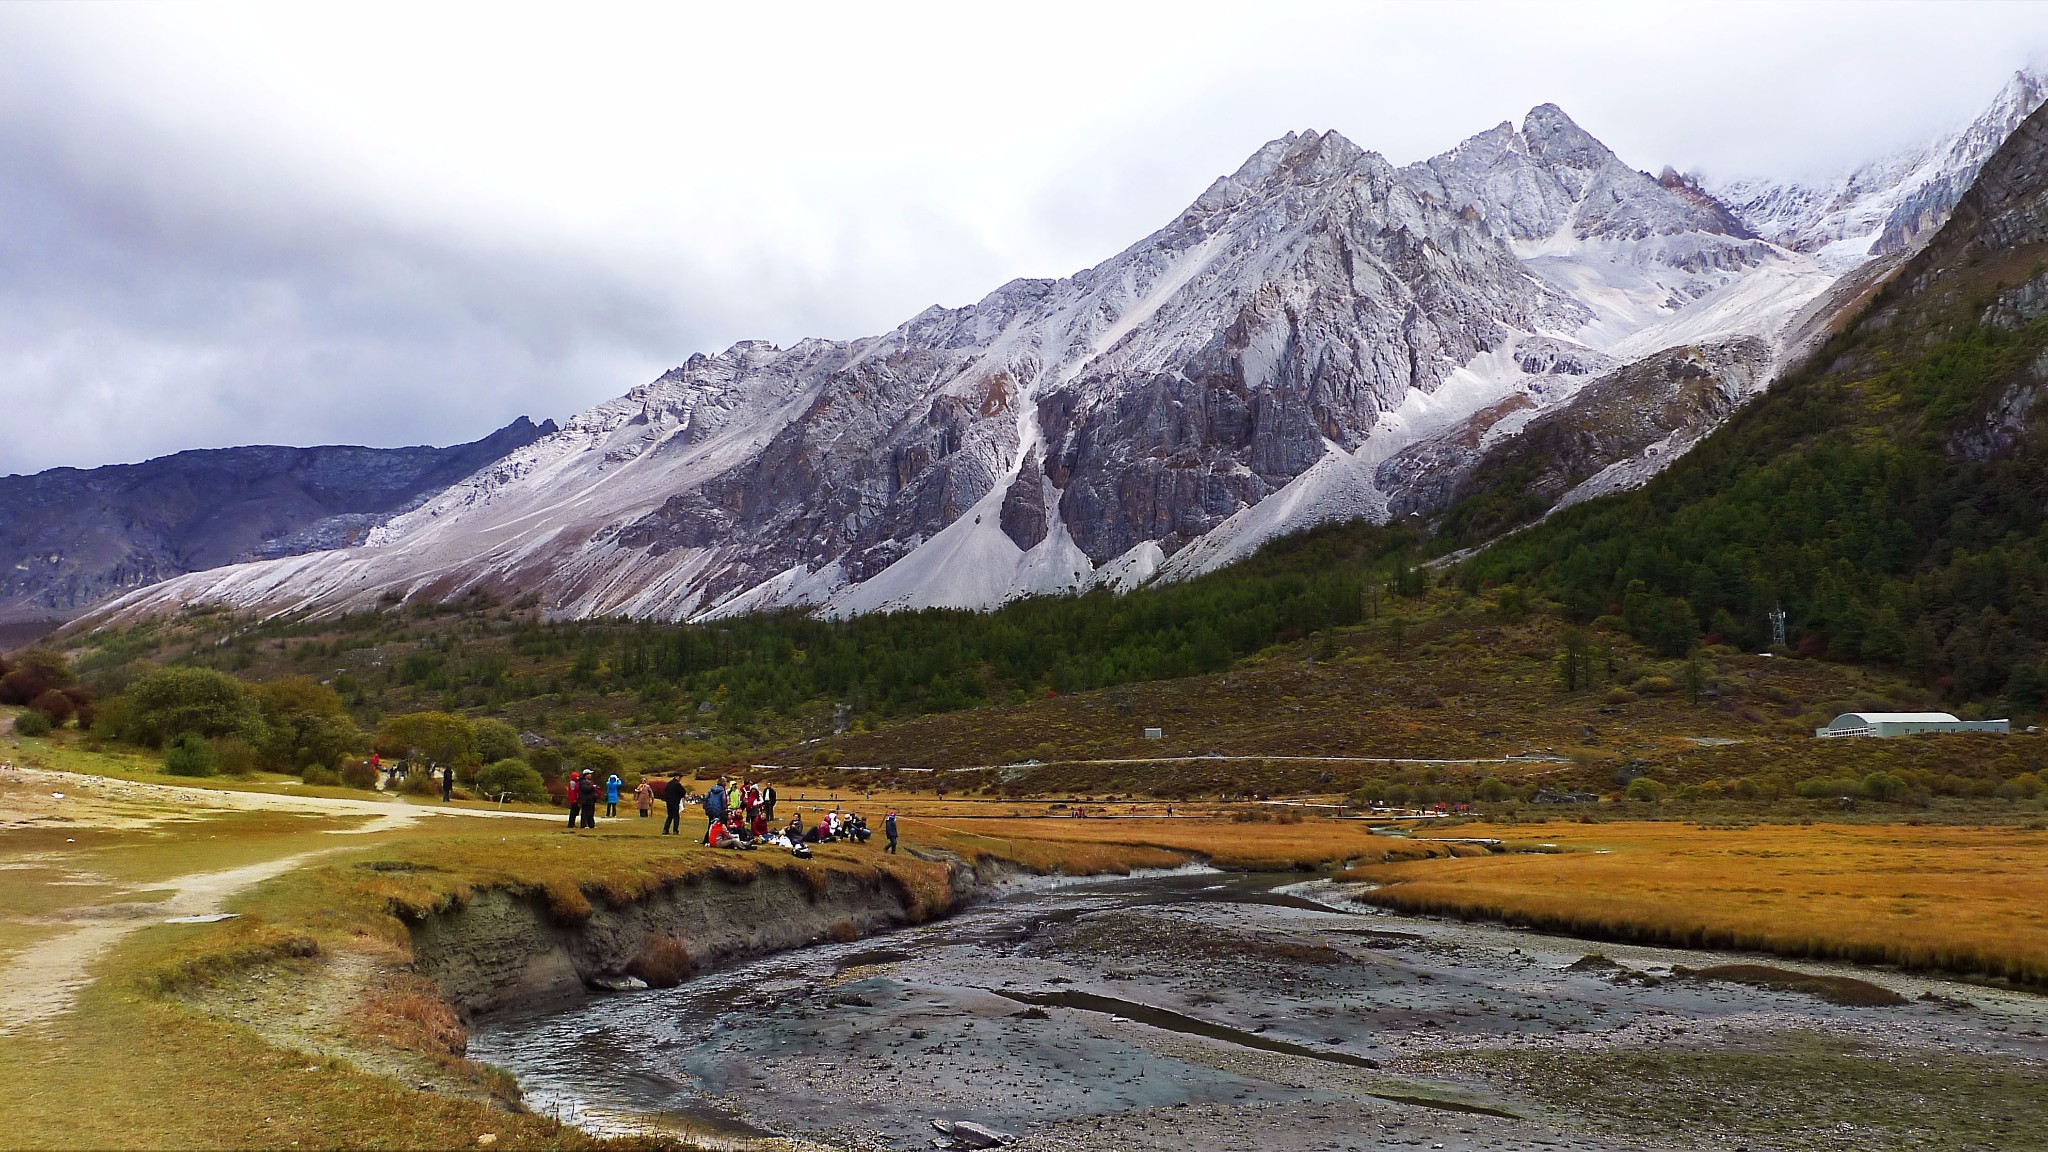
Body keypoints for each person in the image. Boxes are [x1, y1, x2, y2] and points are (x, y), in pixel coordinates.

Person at [701, 777, 728, 844]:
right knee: (716, 825)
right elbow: (724, 800)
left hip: (710, 809)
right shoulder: (722, 791)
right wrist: (724, 809)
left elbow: (706, 798)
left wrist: (705, 807)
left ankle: (706, 839)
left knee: (710, 823)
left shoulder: (711, 790)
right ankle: (712, 839)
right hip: (718, 810)